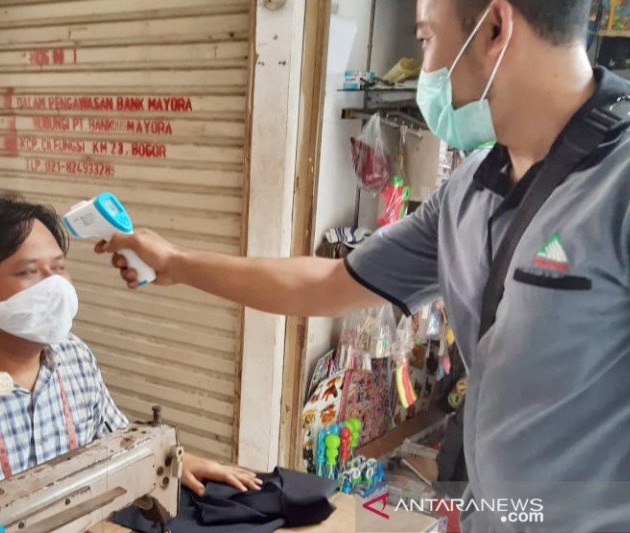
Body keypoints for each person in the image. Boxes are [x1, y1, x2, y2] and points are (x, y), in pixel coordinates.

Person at [99, 1, 630, 531]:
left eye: (425, 37)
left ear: (494, 27)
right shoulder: (470, 191)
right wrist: (178, 263)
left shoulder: (618, 183)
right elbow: (329, 283)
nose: (423, 66)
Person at [0, 196, 261, 533]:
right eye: (29, 272)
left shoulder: (73, 357)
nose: (56, 287)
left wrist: (175, 459)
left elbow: (117, 440)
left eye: (58, 268)